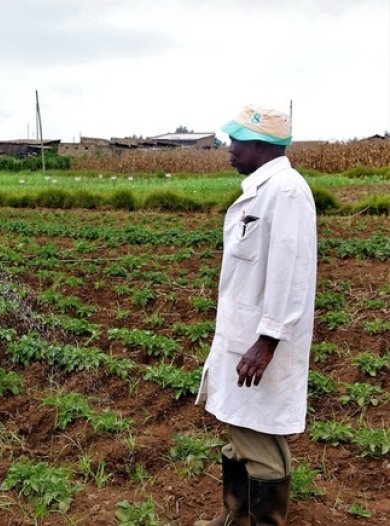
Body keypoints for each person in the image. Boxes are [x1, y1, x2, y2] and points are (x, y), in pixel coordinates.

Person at [194, 105, 317, 526]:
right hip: (243, 335)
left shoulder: (285, 192)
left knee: (259, 440)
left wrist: (267, 341)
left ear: (261, 145)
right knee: (239, 428)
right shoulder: (263, 189)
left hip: (260, 341)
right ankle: (237, 518)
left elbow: (292, 272)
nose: (229, 149)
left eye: (236, 141)